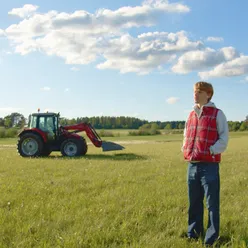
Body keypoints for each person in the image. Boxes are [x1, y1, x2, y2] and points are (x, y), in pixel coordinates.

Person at [182, 81, 229, 246]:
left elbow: (224, 138)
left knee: (211, 204)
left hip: (209, 166)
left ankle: (211, 238)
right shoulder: (191, 114)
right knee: (194, 202)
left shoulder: (218, 114)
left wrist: (211, 151)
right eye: (195, 91)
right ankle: (193, 234)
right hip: (192, 165)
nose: (195, 94)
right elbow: (186, 135)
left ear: (208, 94)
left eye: (199, 91)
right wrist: (185, 149)